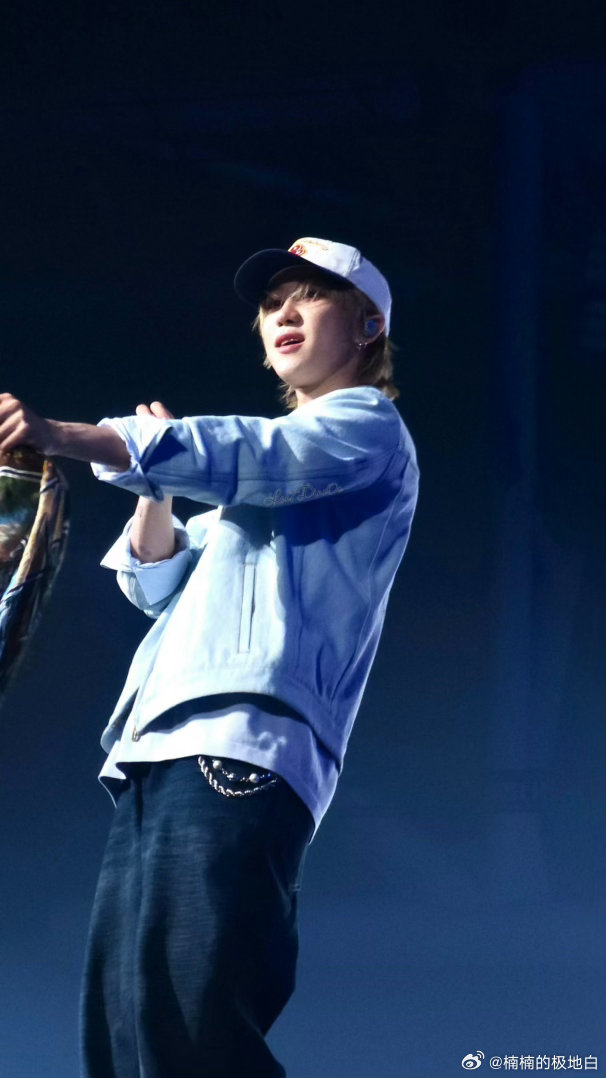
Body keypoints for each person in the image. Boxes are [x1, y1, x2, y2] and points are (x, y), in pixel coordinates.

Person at [0, 236, 419, 1078]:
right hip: (159, 752)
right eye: (270, 305)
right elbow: (156, 582)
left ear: (369, 326)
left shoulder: (364, 430)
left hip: (240, 749)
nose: (284, 313)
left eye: (310, 296)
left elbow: (251, 456)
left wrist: (71, 436)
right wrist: (156, 486)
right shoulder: (250, 493)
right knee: (126, 1036)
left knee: (190, 1032)